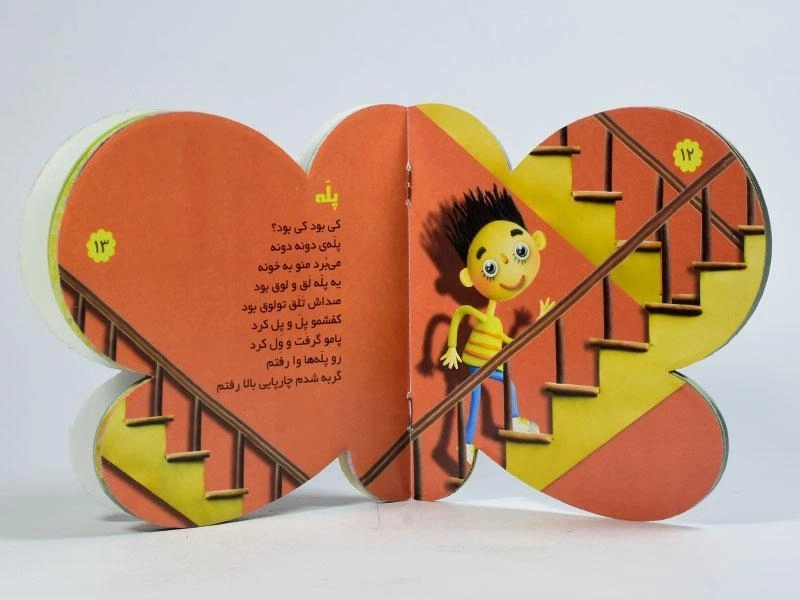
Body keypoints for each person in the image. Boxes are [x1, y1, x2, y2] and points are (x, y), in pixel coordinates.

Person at [441, 185, 553, 463]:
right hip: (476, 364)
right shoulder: (484, 316)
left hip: (486, 364)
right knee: (487, 397)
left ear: (536, 242)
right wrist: (452, 348)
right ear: (469, 277)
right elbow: (460, 313)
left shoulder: (494, 321)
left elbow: (508, 343)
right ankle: (486, 434)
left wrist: (538, 321)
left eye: (519, 252)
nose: (506, 265)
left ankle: (471, 441)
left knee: (484, 398)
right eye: (490, 267)